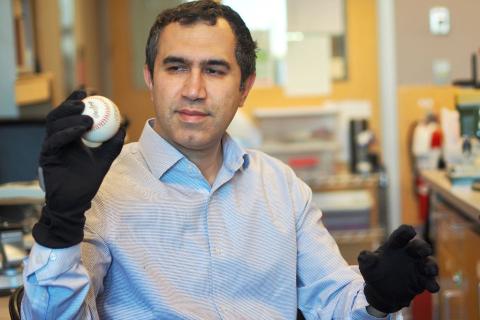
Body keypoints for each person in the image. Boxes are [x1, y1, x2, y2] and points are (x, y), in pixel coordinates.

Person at [21, 1, 439, 319]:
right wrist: (59, 224)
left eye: (216, 70)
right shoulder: (102, 188)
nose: (194, 89)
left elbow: (333, 300)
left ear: (245, 88)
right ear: (150, 78)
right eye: (176, 67)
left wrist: (376, 298)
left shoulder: (281, 186)